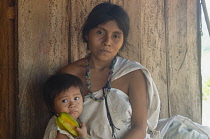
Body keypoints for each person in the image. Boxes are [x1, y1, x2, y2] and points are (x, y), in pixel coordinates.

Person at [59, 2, 160, 139]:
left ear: (123, 40)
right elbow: (62, 123)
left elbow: (139, 128)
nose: (107, 41)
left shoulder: (132, 74)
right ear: (87, 34)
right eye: (100, 32)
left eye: (116, 35)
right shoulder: (70, 74)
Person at [43, 73, 91, 139]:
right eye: (64, 101)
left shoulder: (74, 121)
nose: (72, 105)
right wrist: (83, 136)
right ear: (52, 107)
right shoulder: (61, 130)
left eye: (76, 98)